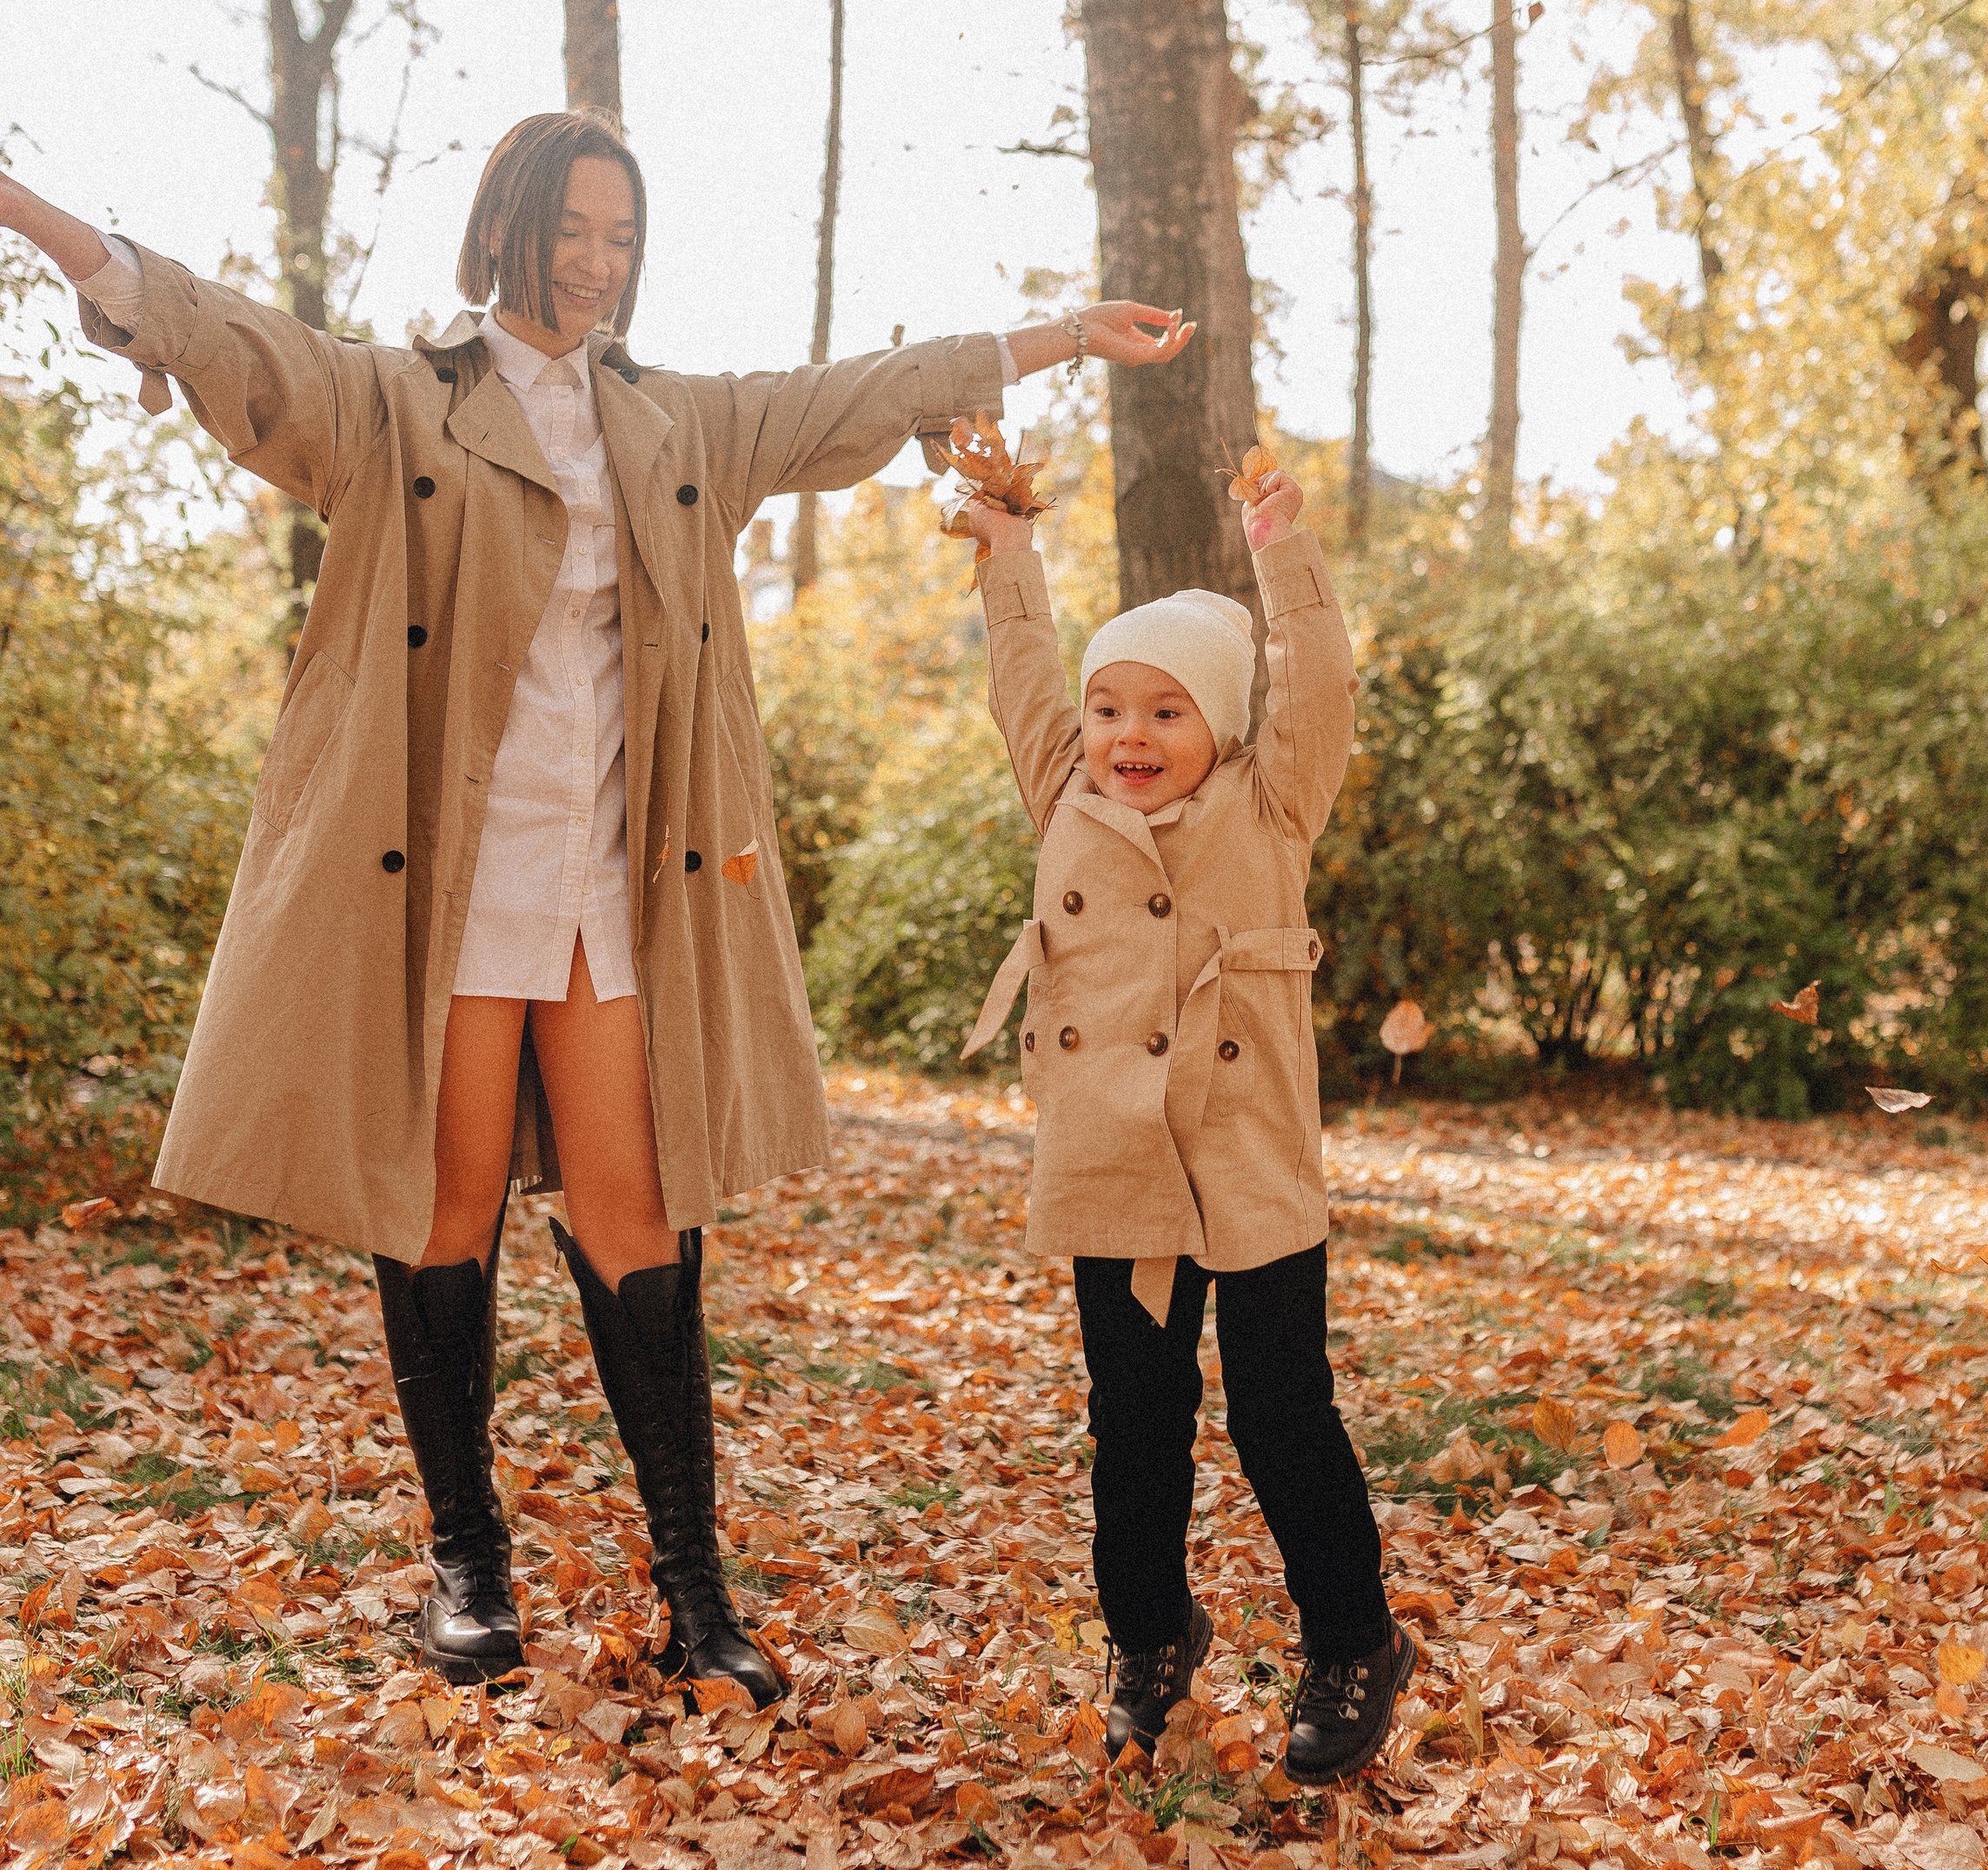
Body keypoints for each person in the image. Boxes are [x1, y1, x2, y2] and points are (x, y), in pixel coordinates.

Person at [0, 116, 1194, 1696]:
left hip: (614, 876)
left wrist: (1062, 334)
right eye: (572, 227)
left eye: (620, 234)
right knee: (444, 1210)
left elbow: (853, 396)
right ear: (510, 226)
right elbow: (238, 341)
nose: (596, 258)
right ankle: (467, 1567)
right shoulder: (401, 400)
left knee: (639, 1219)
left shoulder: (674, 422)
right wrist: (33, 213)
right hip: (447, 878)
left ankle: (693, 1592)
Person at [956, 456, 1414, 1782]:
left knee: (1284, 1415)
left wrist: (1281, 548)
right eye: (1111, 710)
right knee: (1135, 1420)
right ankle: (1151, 1634)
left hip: (1250, 1157)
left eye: (1165, 709)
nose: (1129, 734)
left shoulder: (1273, 807)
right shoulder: (1066, 800)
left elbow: (1318, 682)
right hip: (1116, 1163)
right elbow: (1023, 675)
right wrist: (1007, 552)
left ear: (1221, 724)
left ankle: (1352, 1641)